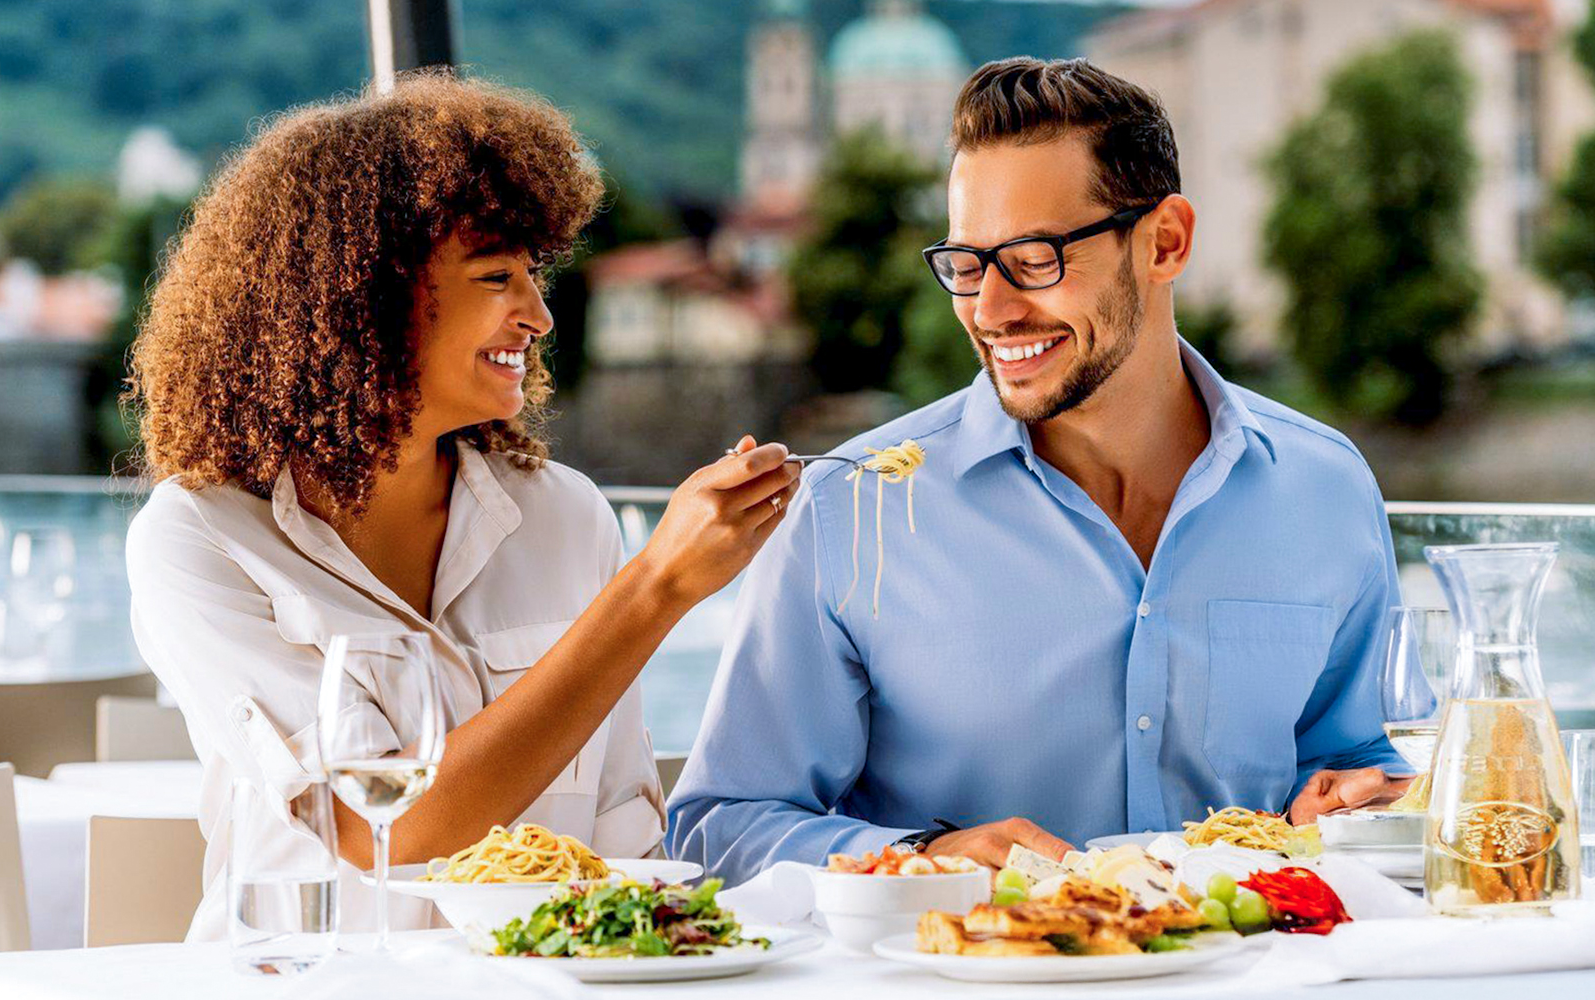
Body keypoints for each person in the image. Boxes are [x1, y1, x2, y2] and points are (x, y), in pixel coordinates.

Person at [668, 57, 1415, 885]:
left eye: (1033, 257)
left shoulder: (1327, 490)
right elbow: (719, 828)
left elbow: (1365, 768)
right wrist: (923, 859)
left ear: (1165, 241)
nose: (988, 311)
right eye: (964, 263)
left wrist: (1361, 806)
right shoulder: (853, 507)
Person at [124, 73, 799, 938]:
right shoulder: (201, 539)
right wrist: (656, 587)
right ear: (362, 296)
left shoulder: (567, 516)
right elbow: (388, 829)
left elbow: (626, 829)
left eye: (533, 274)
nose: (539, 314)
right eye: (495, 277)